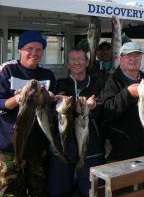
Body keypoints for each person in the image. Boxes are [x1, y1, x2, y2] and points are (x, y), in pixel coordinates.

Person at [0, 30, 56, 197]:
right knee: (9, 192)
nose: (34, 53)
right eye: (29, 48)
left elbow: (49, 110)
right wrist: (16, 99)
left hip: (37, 149)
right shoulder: (7, 70)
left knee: (37, 190)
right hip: (10, 148)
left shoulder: (48, 75)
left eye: (39, 49)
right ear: (20, 49)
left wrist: (52, 98)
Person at [47, 48, 105, 197]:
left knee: (90, 191)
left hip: (91, 148)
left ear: (87, 62)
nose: (77, 62)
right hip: (62, 148)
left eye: (80, 59)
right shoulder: (60, 84)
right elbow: (54, 112)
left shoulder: (99, 84)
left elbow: (107, 109)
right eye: (72, 59)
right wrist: (60, 104)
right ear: (67, 64)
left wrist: (95, 106)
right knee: (57, 191)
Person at [100, 42, 144, 161]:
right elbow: (107, 111)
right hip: (120, 148)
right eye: (129, 56)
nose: (133, 59)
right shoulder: (111, 80)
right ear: (120, 58)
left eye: (137, 56)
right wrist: (128, 93)